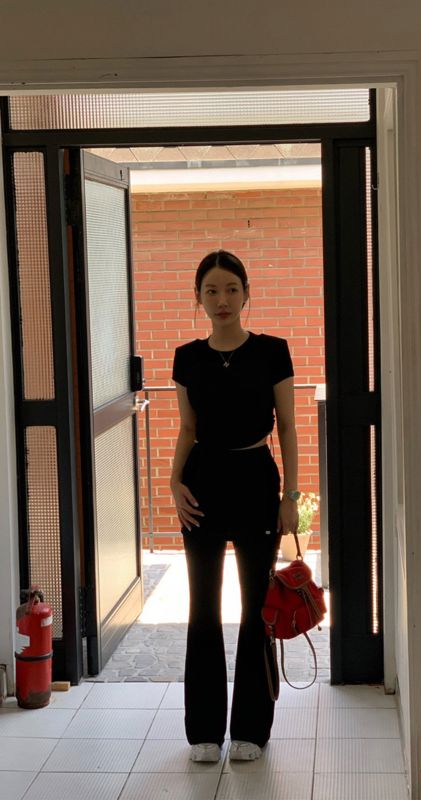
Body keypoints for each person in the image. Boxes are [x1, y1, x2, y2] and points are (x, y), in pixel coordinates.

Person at [169, 250, 299, 763]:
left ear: (246, 294)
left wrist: (291, 496)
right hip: (202, 484)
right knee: (202, 607)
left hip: (255, 481)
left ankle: (251, 729)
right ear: (198, 298)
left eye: (230, 289)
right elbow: (187, 428)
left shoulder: (273, 351)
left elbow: (288, 427)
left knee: (255, 609)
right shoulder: (187, 357)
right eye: (211, 290)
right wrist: (174, 481)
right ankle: (203, 731)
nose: (221, 299)